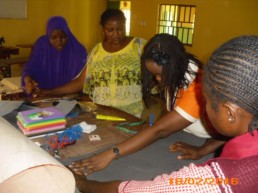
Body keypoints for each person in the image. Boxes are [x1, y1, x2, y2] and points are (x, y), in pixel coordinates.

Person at [72, 35, 258, 193]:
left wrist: (83, 182)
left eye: (207, 101)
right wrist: (205, 148)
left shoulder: (228, 177)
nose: (158, 80)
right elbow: (238, 125)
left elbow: (146, 189)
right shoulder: (244, 115)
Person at [38, 9, 146, 117]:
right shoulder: (96, 51)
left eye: (120, 29)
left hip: (131, 114)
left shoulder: (139, 46)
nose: (116, 34)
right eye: (110, 30)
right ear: (103, 29)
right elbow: (81, 82)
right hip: (101, 113)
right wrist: (51, 92)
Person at [22, 16, 87, 96]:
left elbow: (80, 83)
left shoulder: (78, 51)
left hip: (69, 96)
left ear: (68, 34)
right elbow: (30, 67)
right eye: (54, 37)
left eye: (63, 37)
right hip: (42, 95)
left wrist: (50, 92)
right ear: (49, 36)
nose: (59, 41)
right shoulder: (42, 46)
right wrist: (28, 80)